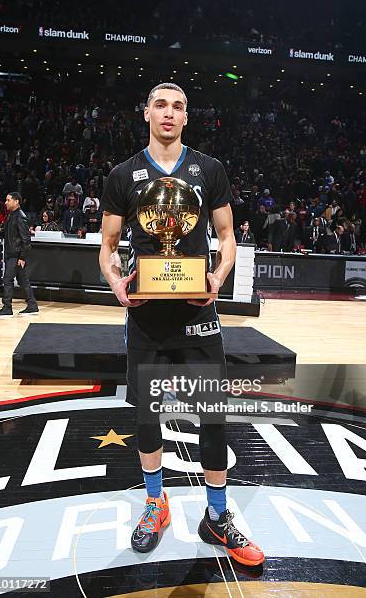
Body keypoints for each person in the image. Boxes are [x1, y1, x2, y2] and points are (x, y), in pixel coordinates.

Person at [99, 82, 264, 567]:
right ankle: (156, 503)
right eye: (161, 105)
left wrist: (216, 275)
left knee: (212, 415)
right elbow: (107, 249)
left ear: (186, 118)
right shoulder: (122, 174)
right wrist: (115, 284)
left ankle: (216, 515)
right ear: (146, 112)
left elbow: (228, 236)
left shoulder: (208, 169)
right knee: (147, 417)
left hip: (198, 315)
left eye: (178, 107)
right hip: (146, 317)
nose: (169, 113)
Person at [0, 192, 39, 318]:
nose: (5, 202)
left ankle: (7, 308)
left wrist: (22, 257)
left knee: (7, 280)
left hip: (15, 255)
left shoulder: (20, 217)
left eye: (8, 200)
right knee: (23, 280)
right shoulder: (11, 215)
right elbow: (6, 233)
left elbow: (26, 240)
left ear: (16, 201)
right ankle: (32, 305)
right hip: (12, 254)